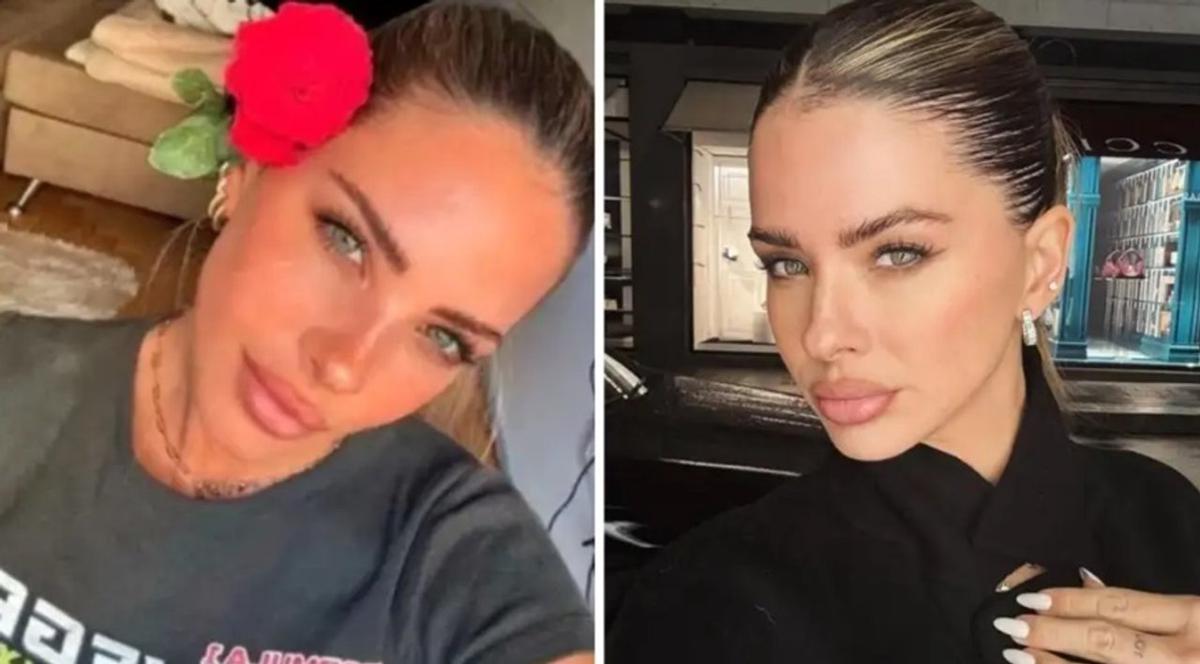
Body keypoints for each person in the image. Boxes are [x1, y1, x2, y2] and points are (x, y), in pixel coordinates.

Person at [607, 1, 1200, 663]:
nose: (822, 334)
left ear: (1040, 264)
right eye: (786, 264)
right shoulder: (707, 609)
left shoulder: (1167, 521)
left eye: (897, 253)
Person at [0, 4, 594, 663]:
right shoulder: (16, 384)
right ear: (246, 170)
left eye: (443, 337)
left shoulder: (458, 564)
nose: (344, 365)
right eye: (346, 241)